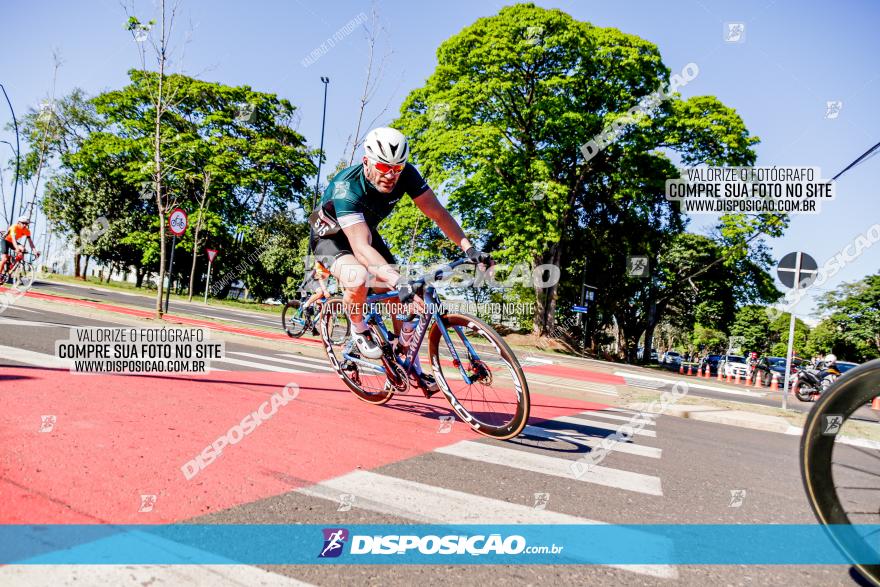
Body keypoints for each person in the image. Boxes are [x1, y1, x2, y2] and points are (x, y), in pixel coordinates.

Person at [308, 127, 492, 395]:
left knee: (398, 295)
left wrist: (469, 248)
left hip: (364, 230)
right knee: (359, 278)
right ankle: (359, 330)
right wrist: (398, 280)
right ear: (367, 161)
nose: (391, 174)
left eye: (397, 167)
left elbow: (438, 214)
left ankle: (409, 362)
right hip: (330, 238)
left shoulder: (405, 174)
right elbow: (359, 248)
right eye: (383, 166)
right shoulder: (346, 188)